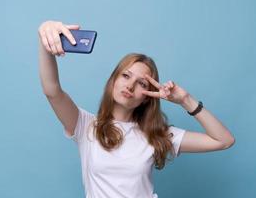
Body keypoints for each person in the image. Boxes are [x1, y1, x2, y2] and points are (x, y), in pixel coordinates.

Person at [38, 20, 235, 198]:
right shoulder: (86, 125)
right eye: (125, 76)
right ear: (113, 81)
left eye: (141, 83)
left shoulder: (157, 135)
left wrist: (186, 100)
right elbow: (52, 90)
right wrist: (45, 37)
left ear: (148, 97)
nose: (130, 86)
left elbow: (224, 140)